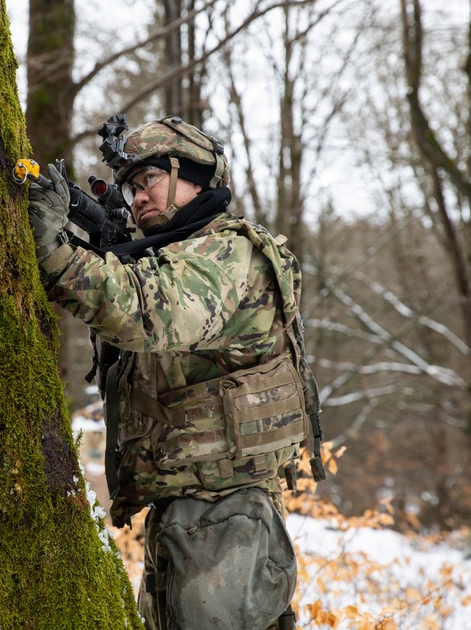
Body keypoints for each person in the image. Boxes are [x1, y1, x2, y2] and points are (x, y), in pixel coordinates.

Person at [27, 115, 323, 630]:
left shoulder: (227, 252)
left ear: (196, 177)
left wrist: (55, 253)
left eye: (150, 179)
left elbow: (146, 313)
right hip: (189, 513)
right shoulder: (176, 257)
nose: (138, 197)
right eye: (131, 188)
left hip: (226, 515)